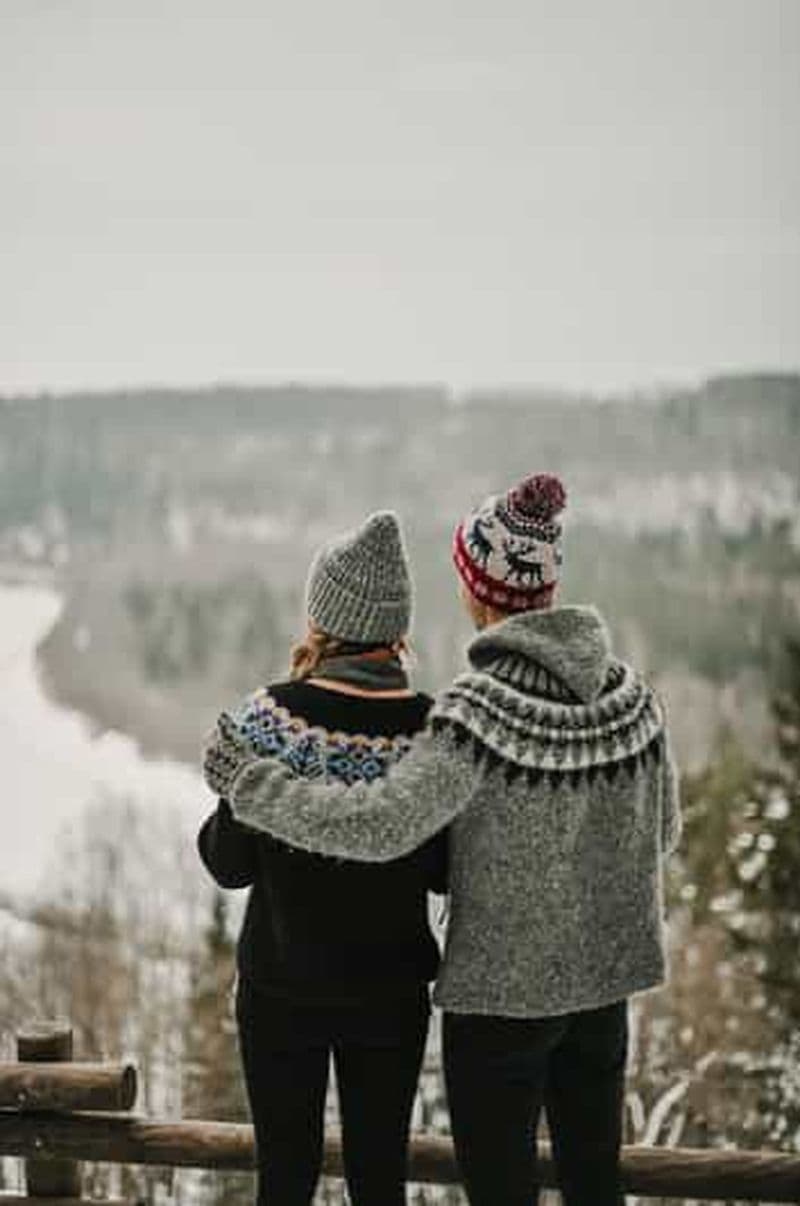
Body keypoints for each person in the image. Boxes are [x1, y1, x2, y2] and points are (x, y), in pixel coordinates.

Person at [204, 472, 682, 1206]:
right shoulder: (632, 698)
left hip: (499, 1003)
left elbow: (379, 827)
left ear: (475, 588)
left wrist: (254, 786)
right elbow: (664, 832)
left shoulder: (476, 714)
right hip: (601, 992)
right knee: (594, 1187)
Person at [199, 511, 447, 1206]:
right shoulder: (432, 731)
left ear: (321, 618)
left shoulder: (271, 720)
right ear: (397, 627)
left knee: (284, 1178)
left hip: (281, 993)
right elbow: (444, 870)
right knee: (378, 1182)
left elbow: (228, 864)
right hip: (390, 998)